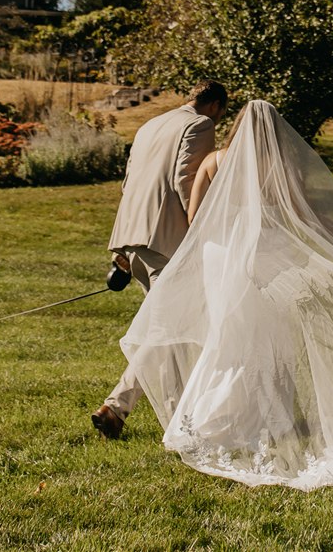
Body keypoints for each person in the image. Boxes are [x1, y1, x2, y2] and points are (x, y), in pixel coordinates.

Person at [117, 99, 333, 493]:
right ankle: (238, 422)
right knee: (262, 343)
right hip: (262, 261)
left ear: (238, 124)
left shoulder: (215, 161)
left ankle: (204, 423)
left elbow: (195, 220)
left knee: (227, 340)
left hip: (219, 258)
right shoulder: (279, 169)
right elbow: (307, 219)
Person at [90, 79, 226, 440]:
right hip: (166, 240)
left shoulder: (151, 124)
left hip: (132, 235)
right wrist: (202, 230)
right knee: (170, 330)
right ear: (215, 106)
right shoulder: (200, 125)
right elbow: (187, 180)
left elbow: (129, 182)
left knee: (167, 329)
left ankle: (120, 411)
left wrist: (123, 247)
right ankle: (169, 421)